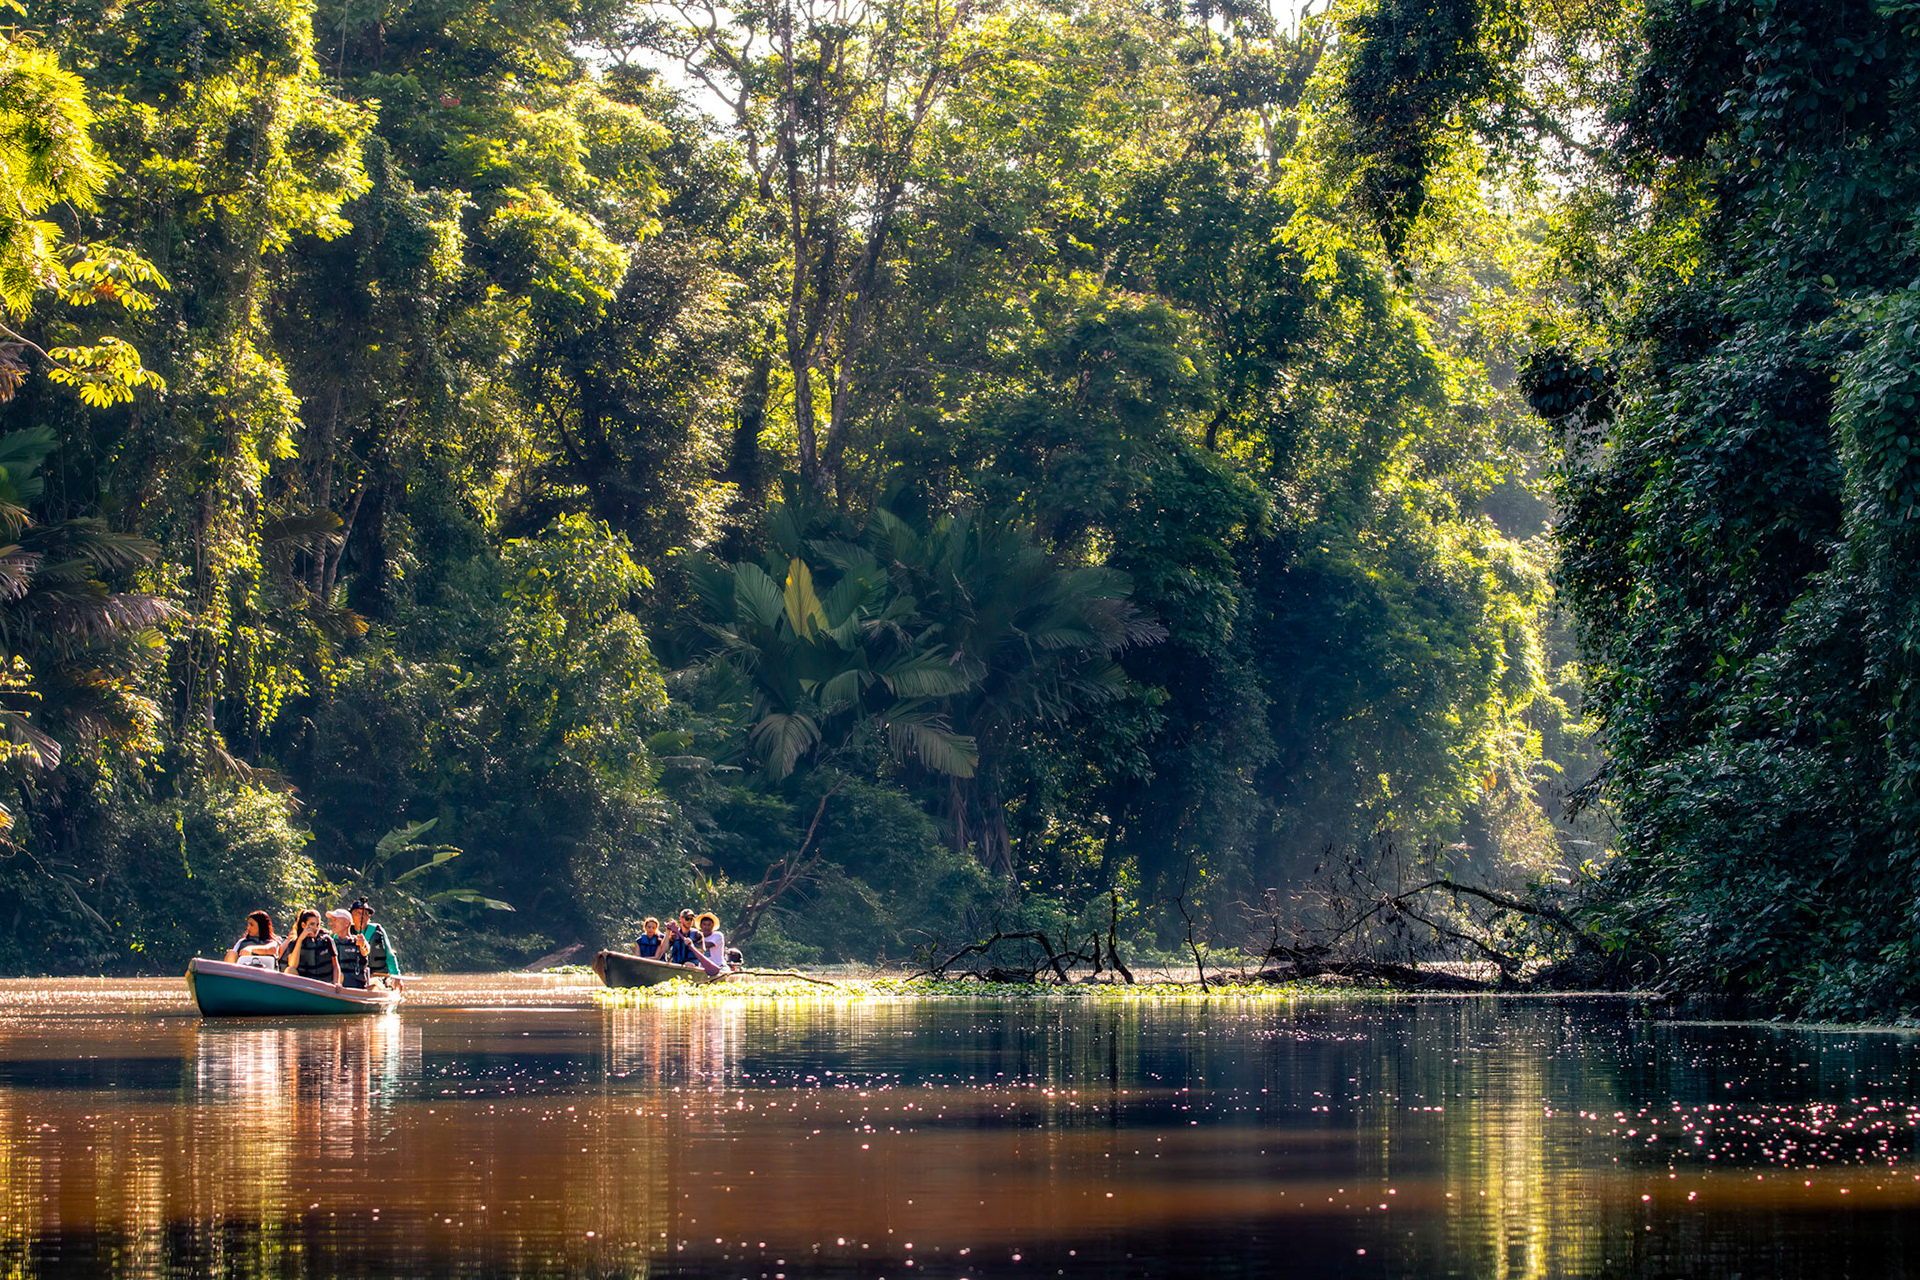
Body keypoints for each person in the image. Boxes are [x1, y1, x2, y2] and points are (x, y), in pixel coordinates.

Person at [349, 898, 403, 990]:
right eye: (358, 913)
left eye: (366, 914)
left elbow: (389, 956)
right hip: (353, 977)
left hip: (377, 977)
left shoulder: (377, 931)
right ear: (351, 916)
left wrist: (397, 977)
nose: (362, 917)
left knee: (375, 985)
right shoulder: (345, 932)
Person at [279, 909, 342, 987]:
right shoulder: (294, 943)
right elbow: (292, 965)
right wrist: (300, 940)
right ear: (303, 925)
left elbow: (335, 966)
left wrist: (336, 983)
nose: (315, 928)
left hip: (325, 984)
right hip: (306, 984)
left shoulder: (327, 940)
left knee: (341, 976)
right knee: (289, 970)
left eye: (317, 924)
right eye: (312, 924)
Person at [329, 909, 371, 989]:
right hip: (336, 986)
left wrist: (362, 946)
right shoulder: (331, 942)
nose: (331, 923)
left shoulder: (357, 941)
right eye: (331, 920)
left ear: (346, 923)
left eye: (335, 920)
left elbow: (366, 950)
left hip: (355, 987)